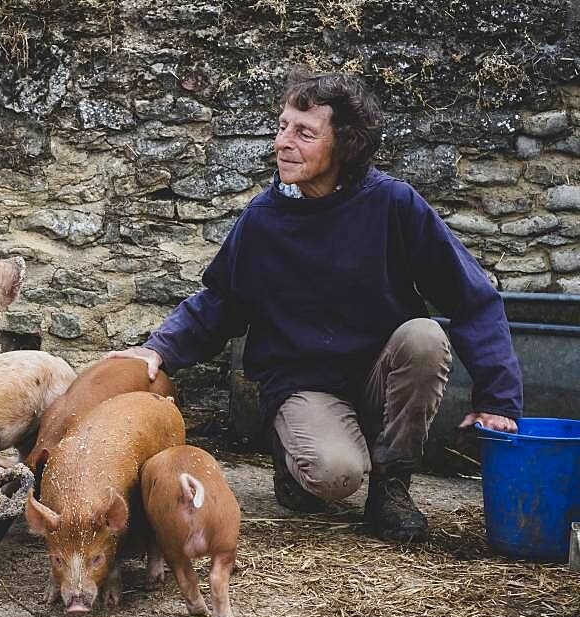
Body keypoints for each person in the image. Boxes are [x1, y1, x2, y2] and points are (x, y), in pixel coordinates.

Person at [108, 70, 522, 543]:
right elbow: (222, 300)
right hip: (304, 383)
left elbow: (471, 297)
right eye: (282, 126)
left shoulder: (393, 204)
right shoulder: (264, 220)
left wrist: (497, 400)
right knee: (334, 476)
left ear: (344, 145)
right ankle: (292, 461)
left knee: (424, 337)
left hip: (377, 377)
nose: (283, 142)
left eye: (304, 133)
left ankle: (392, 485)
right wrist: (158, 349)